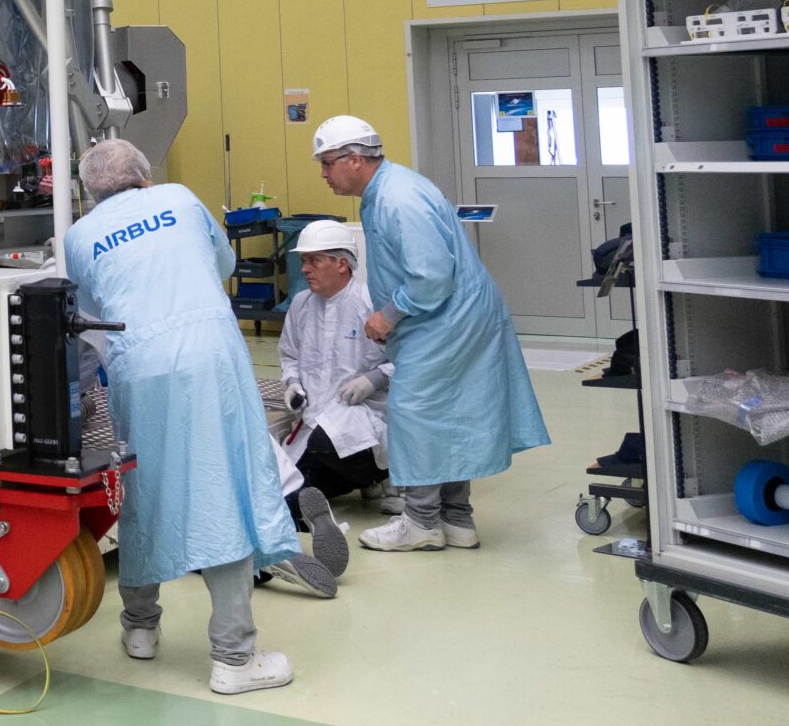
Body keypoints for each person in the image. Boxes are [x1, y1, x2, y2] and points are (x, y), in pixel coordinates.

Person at [61, 139, 298, 694]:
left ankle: (140, 629)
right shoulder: (181, 199)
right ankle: (235, 659)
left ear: (89, 192)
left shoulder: (79, 235)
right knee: (224, 493)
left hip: (137, 364)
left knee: (145, 490)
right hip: (209, 359)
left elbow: (91, 299)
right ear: (145, 177)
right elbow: (223, 263)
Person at [312, 116, 550, 552]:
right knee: (450, 416)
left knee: (416, 414)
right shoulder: (384, 191)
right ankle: (456, 518)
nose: (324, 174)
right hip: (452, 316)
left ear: (354, 159)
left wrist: (387, 316)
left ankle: (420, 522)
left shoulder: (399, 198)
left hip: (445, 317)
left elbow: (431, 277)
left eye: (327, 164)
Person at [278, 219, 393, 573]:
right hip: (315, 419)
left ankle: (380, 477)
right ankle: (318, 514)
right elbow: (289, 355)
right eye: (304, 261)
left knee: (324, 446)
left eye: (314, 261)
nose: (305, 269)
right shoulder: (300, 304)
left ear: (341, 263)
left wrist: (376, 378)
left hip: (367, 416)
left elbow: (414, 361)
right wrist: (292, 384)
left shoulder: (372, 302)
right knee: (285, 492)